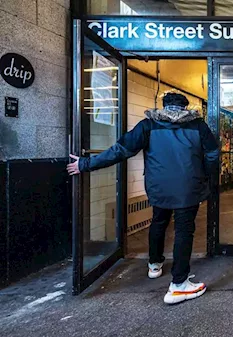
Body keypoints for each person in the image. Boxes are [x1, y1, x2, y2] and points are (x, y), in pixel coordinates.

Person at [67, 93, 219, 305]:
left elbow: (121, 150)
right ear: (185, 108)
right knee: (184, 231)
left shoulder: (148, 125)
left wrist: (86, 164)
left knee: (158, 222)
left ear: (164, 106)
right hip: (189, 187)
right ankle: (178, 285)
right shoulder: (198, 126)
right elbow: (212, 155)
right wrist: (210, 181)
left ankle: (154, 265)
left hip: (158, 187)